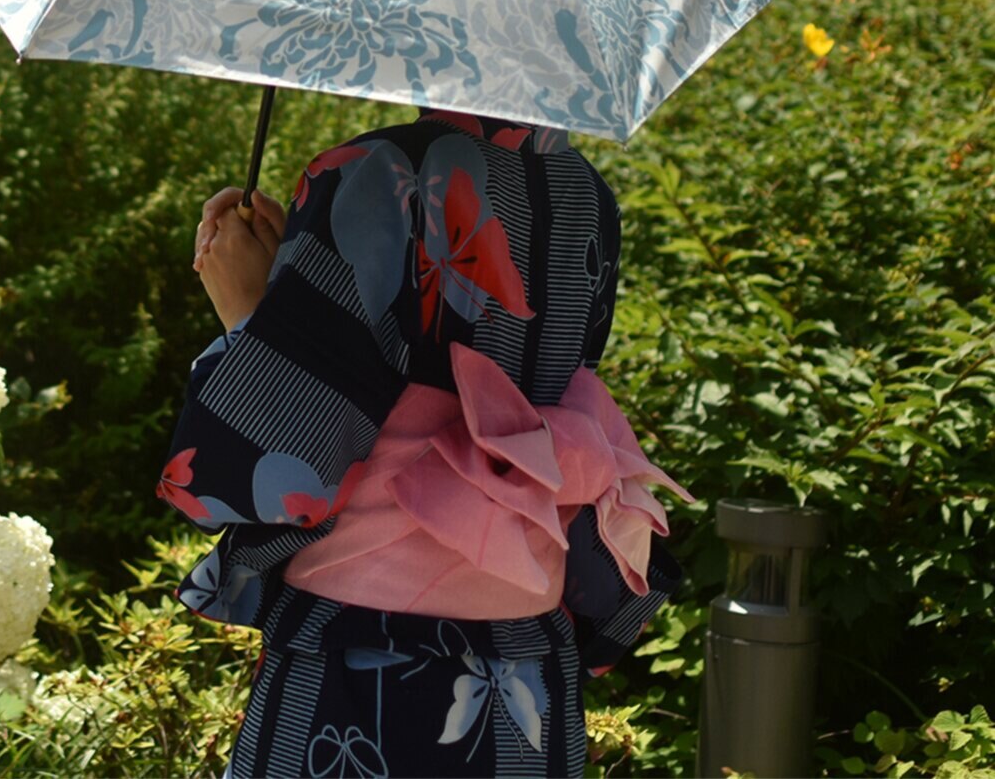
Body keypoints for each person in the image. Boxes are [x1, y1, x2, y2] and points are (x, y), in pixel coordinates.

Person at [157, 105, 694, 779]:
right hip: (526, 678)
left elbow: (269, 470)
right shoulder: (585, 192)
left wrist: (246, 314)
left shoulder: (376, 172)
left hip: (364, 662)